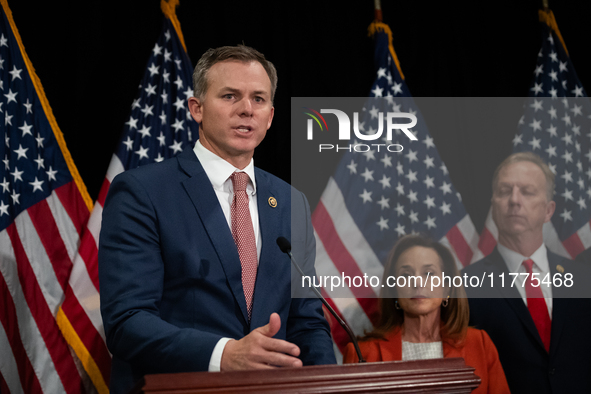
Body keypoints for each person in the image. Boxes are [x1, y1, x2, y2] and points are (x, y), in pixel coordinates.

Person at [99, 45, 335, 393]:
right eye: (230, 96)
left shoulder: (290, 202)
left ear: (270, 116)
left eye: (258, 99)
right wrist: (223, 355)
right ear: (197, 108)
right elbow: (127, 322)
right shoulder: (142, 192)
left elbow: (307, 322)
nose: (246, 110)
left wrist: (327, 384)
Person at [462, 152, 591, 393]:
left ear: (548, 210)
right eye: (504, 191)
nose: (514, 200)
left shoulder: (584, 279)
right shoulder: (464, 285)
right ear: (493, 205)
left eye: (527, 191)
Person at [343, 235, 510, 394]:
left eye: (429, 273)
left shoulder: (479, 345)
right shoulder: (362, 354)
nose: (417, 281)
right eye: (406, 275)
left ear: (446, 288)